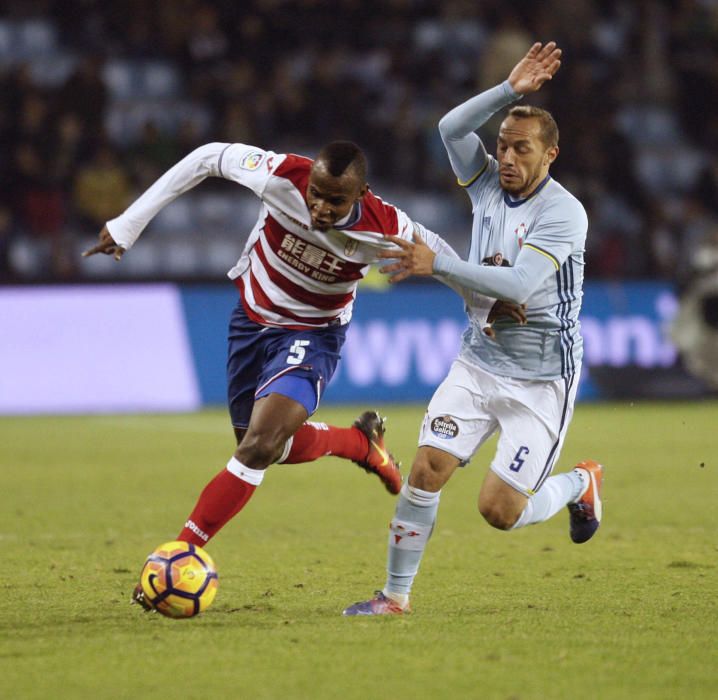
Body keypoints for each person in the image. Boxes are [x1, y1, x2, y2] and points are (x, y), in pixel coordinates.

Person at [82, 138, 522, 607]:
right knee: (262, 446)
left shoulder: (386, 226)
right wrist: (128, 224)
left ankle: (180, 554)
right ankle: (359, 444)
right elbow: (206, 156)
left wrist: (487, 306)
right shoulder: (279, 176)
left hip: (312, 335)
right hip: (251, 321)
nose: (320, 207)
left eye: (335, 200)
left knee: (258, 447)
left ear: (361, 194)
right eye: (316, 193)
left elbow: (441, 260)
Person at [343, 42, 603, 616]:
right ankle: (394, 597)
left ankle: (578, 485)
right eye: (503, 145)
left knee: (499, 511)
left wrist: (435, 264)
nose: (507, 158)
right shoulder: (486, 184)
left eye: (522, 149)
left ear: (550, 155)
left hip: (541, 380)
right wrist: (510, 91)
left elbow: (519, 288)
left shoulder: (564, 213)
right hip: (478, 361)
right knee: (426, 467)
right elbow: (449, 126)